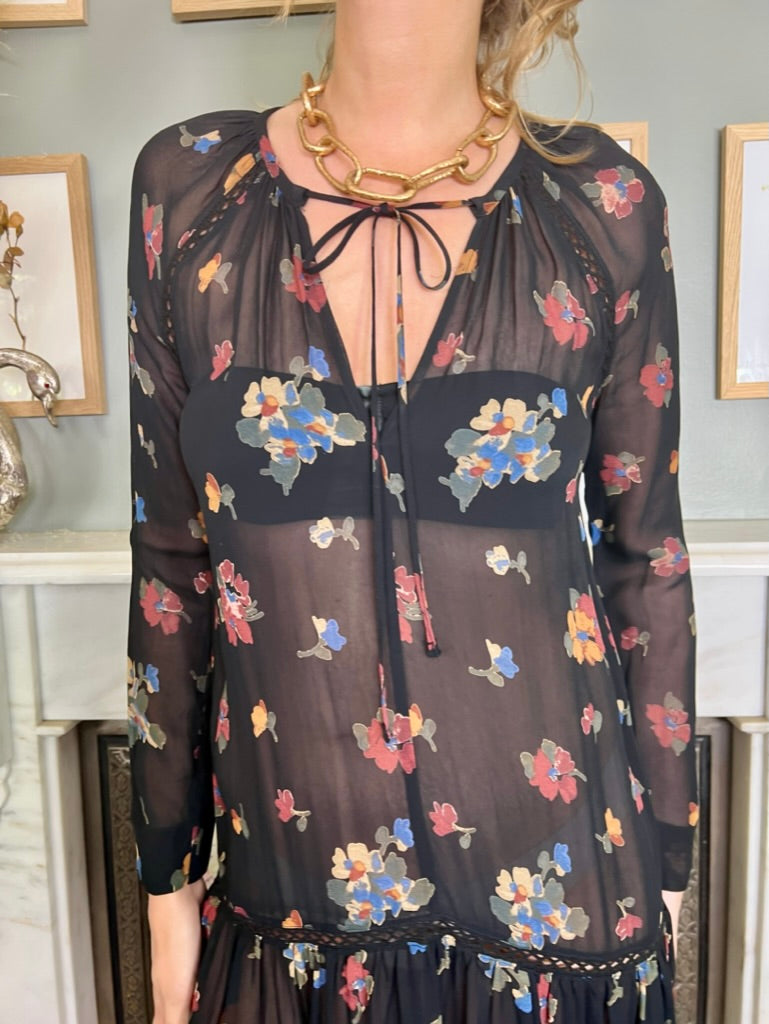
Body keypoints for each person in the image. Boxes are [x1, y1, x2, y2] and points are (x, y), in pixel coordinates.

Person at [126, 1, 697, 1021]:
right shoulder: (191, 187)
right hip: (286, 916)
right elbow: (172, 563)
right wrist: (167, 893)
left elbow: (645, 556)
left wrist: (667, 872)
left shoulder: (600, 204)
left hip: (563, 918)